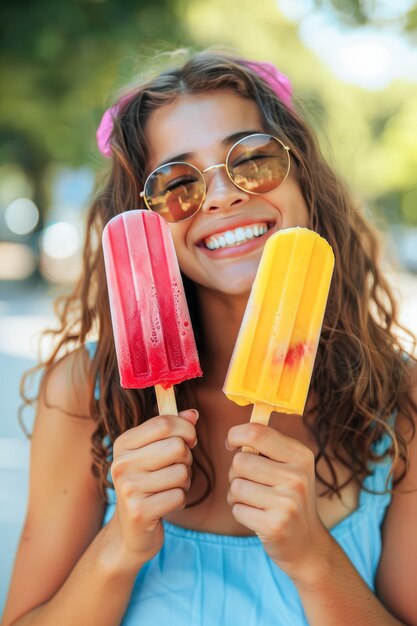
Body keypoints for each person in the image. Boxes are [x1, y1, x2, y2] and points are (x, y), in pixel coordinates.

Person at [2, 48, 417, 626]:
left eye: (252, 158)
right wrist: (120, 548)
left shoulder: (401, 400)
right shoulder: (83, 395)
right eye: (177, 182)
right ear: (141, 222)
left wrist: (314, 559)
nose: (222, 196)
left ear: (305, 181)